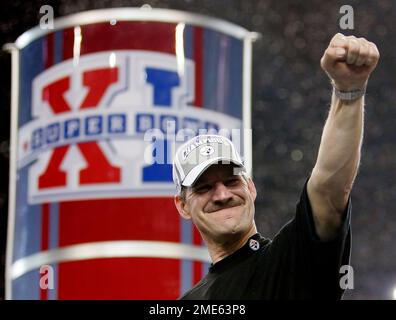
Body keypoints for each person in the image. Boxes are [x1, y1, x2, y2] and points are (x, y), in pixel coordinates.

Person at [172, 33, 379, 299]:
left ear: (250, 187)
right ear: (182, 205)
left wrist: (349, 93)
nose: (222, 195)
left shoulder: (292, 261)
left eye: (232, 181)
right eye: (204, 187)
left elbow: (330, 188)